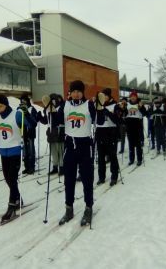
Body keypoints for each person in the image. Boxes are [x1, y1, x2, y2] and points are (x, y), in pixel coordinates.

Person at [48, 80, 104, 226]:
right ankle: (69, 208)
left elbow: (101, 121)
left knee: (87, 179)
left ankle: (88, 207)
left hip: (85, 146)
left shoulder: (88, 105)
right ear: (70, 92)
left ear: (82, 92)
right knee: (69, 180)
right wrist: (51, 110)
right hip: (70, 146)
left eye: (79, 91)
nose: (76, 93)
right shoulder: (65, 105)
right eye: (74, 91)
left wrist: (100, 108)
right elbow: (55, 122)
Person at [0, 95, 33, 222]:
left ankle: (11, 206)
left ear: (6, 105)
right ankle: (18, 198)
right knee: (8, 179)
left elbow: (31, 124)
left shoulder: (16, 114)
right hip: (4, 152)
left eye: (1, 106)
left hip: (15, 150)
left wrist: (27, 114)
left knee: (12, 178)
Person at [95, 88, 121, 186]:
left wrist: (108, 113)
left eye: (105, 96)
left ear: (109, 96)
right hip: (100, 132)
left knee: (112, 156)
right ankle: (101, 177)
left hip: (111, 132)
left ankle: (114, 176)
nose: (104, 98)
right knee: (101, 157)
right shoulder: (98, 106)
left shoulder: (115, 105)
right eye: (102, 96)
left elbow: (118, 120)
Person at [37, 93, 65, 176]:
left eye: (54, 100)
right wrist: (40, 117)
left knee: (60, 149)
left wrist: (54, 113)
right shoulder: (47, 109)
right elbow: (46, 121)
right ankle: (55, 166)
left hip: (59, 130)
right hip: (50, 131)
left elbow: (60, 119)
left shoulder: (61, 107)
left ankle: (62, 166)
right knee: (53, 150)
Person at [125, 91, 147, 166]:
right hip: (129, 125)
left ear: (136, 97)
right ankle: (131, 159)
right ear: (130, 97)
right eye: (132, 96)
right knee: (131, 144)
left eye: (134, 96)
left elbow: (144, 114)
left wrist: (141, 107)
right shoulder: (127, 104)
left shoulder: (139, 104)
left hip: (137, 125)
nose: (133, 97)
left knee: (138, 144)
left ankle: (139, 159)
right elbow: (124, 113)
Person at [18, 94, 38, 175]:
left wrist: (28, 114)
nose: (23, 102)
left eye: (24, 101)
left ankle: (32, 167)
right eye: (22, 101)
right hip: (23, 132)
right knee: (25, 151)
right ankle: (26, 167)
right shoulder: (19, 109)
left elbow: (34, 121)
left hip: (30, 132)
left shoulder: (32, 109)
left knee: (31, 150)